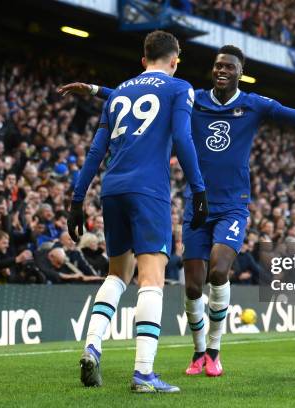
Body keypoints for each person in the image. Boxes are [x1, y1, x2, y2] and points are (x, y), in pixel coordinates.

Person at [58, 44, 295, 377]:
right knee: (192, 287)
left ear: (240, 72)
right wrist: (97, 90)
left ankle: (214, 350)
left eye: (229, 67)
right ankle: (199, 351)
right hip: (196, 204)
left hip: (232, 205)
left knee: (218, 271)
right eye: (218, 66)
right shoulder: (194, 97)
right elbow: (148, 99)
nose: (222, 71)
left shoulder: (254, 104)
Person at [67, 30, 208, 392]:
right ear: (175, 59)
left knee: (117, 274)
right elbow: (182, 138)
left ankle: (92, 347)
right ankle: (144, 372)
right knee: (151, 278)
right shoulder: (180, 88)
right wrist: (198, 188)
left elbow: (96, 151)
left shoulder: (119, 94)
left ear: (143, 59)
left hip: (112, 189)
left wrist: (77, 199)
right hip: (149, 190)